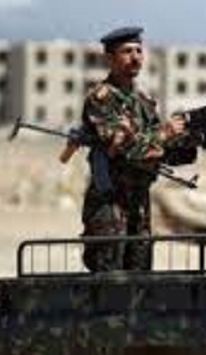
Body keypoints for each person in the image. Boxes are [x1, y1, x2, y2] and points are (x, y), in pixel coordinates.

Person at [80, 26, 187, 272]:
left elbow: (160, 149)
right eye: (127, 51)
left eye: (139, 51)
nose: (136, 57)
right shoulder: (101, 98)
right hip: (110, 204)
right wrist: (164, 134)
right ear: (110, 58)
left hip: (139, 203)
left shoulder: (143, 102)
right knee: (109, 279)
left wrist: (185, 137)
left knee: (140, 280)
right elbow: (126, 150)